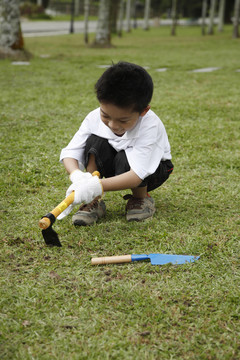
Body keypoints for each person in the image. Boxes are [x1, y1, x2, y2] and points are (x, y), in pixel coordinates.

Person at [58, 61, 173, 226]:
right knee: (94, 141)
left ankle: (141, 199)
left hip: (152, 172)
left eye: (123, 120)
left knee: (125, 158)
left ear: (143, 111)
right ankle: (92, 202)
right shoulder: (93, 117)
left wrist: (96, 185)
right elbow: (70, 153)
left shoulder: (150, 126)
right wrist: (78, 176)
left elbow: (137, 175)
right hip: (116, 167)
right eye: (105, 115)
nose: (112, 125)